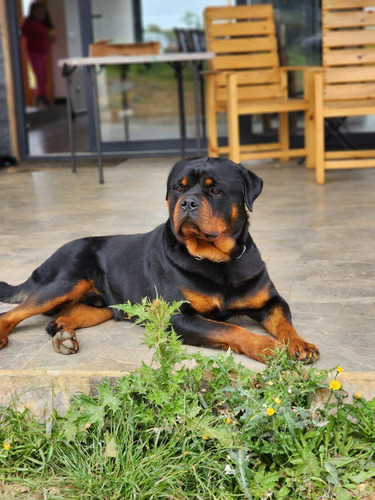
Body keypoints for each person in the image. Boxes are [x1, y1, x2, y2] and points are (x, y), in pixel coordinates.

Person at [21, 2, 55, 107]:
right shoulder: (28, 23)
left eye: (43, 13)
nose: (41, 15)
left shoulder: (44, 25)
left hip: (43, 52)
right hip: (33, 52)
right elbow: (20, 32)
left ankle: (39, 97)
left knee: (43, 76)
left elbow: (51, 39)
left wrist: (51, 37)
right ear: (33, 12)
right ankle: (41, 97)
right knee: (39, 75)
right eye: (38, 12)